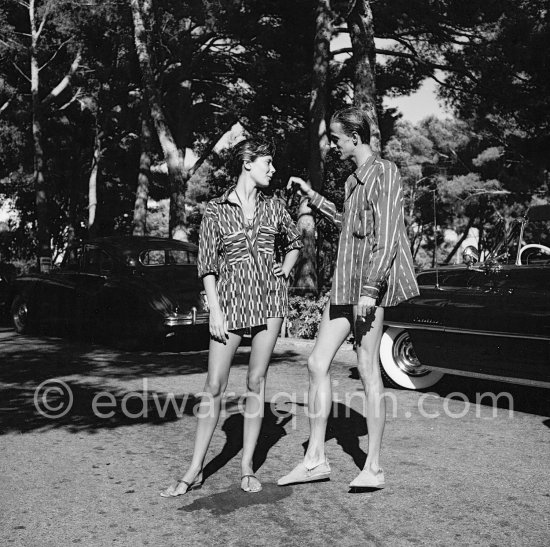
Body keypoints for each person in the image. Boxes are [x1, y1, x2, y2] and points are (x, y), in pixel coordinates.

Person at [278, 106, 419, 490]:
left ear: (355, 138)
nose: (334, 145)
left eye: (337, 138)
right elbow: (347, 225)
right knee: (316, 363)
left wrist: (371, 292)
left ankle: (373, 467)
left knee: (368, 369)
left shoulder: (385, 173)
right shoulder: (352, 182)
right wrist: (313, 197)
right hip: (345, 285)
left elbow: (388, 236)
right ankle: (315, 461)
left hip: (367, 289)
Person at [161, 138, 302, 497]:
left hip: (269, 302)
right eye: (267, 163)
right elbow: (207, 264)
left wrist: (284, 268)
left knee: (257, 381)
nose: (273, 170)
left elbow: (296, 242)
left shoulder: (275, 206)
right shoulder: (216, 209)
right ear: (247, 163)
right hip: (231, 304)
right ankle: (194, 470)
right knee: (214, 386)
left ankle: (247, 466)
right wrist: (215, 310)